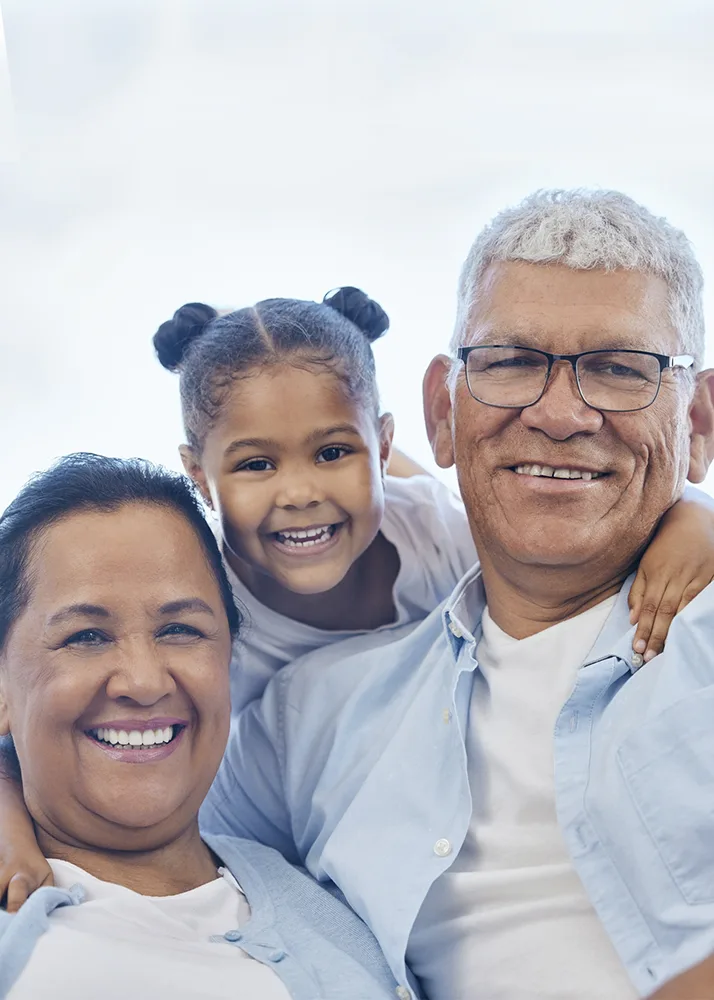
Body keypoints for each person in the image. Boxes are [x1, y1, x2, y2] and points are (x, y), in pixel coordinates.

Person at [190, 190, 714, 1000]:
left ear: (699, 423)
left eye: (620, 369)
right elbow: (121, 841)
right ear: (443, 413)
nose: (562, 413)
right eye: (510, 362)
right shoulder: (303, 721)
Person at [152, 285, 711, 712]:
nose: (299, 494)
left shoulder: (433, 530)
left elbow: (576, 542)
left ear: (384, 446)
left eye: (331, 454)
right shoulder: (201, 612)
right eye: (256, 464)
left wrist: (692, 515)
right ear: (199, 477)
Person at [0, 453, 409, 1000]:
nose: (144, 682)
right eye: (86, 637)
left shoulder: (329, 880)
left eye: (180, 629)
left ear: (230, 657)